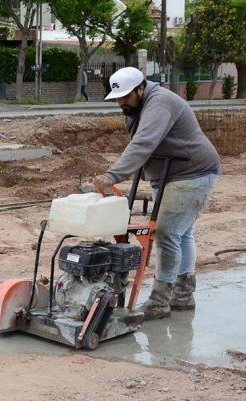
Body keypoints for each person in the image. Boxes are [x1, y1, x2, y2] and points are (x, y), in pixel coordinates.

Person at [93, 67, 220, 320]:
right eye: (118, 98)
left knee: (166, 233)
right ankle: (183, 295)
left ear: (141, 88)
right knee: (181, 234)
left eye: (126, 97)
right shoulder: (137, 106)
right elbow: (139, 142)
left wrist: (112, 175)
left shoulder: (160, 103)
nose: (121, 103)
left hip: (191, 173)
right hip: (169, 172)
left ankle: (160, 301)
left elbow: (143, 142)